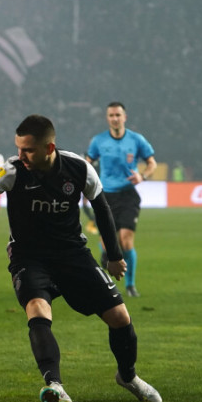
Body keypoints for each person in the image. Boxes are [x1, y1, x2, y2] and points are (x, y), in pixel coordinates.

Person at [0, 114, 161, 402]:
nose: (20, 155)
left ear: (49, 148)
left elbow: (102, 209)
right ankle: (55, 385)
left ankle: (128, 377)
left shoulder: (79, 168)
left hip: (72, 253)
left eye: (27, 150)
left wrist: (114, 256)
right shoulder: (10, 171)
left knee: (120, 317)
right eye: (18, 148)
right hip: (29, 256)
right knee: (38, 309)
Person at [86, 102, 157, 297]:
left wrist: (142, 176)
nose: (115, 118)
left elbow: (151, 163)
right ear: (107, 118)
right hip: (105, 197)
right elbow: (87, 163)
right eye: (111, 115)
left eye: (118, 115)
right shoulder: (98, 141)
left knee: (125, 241)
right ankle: (106, 258)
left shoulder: (136, 140)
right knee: (109, 243)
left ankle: (130, 285)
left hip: (128, 196)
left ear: (124, 117)